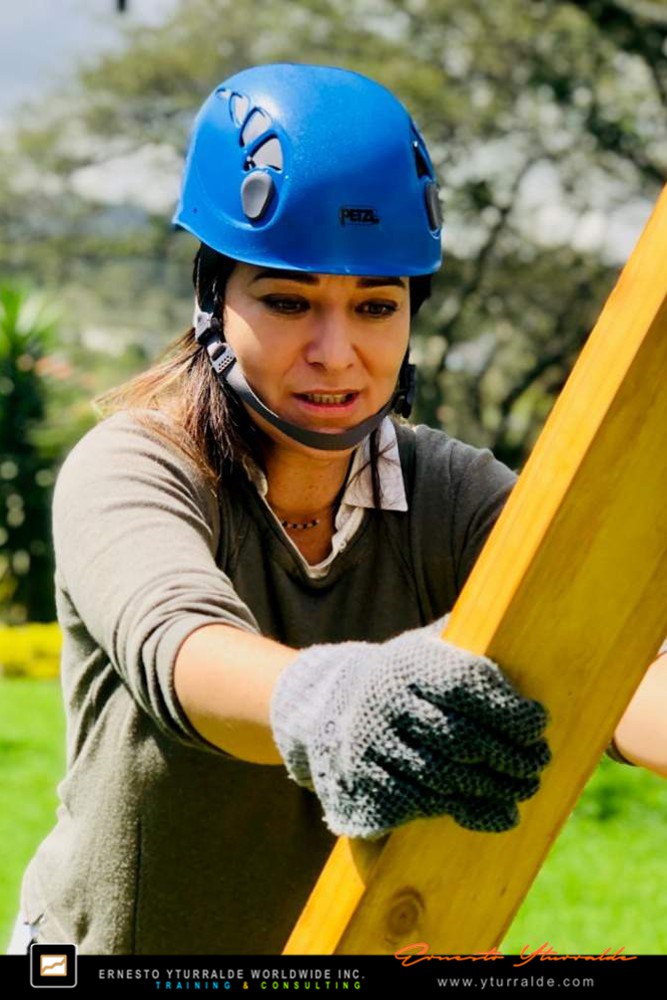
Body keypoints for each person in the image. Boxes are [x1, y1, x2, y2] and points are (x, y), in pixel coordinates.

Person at [10, 64, 660, 958]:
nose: (336, 352)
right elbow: (180, 646)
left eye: (374, 306)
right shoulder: (131, 466)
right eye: (287, 301)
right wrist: (332, 701)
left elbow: (609, 656)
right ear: (211, 302)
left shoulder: (453, 493)